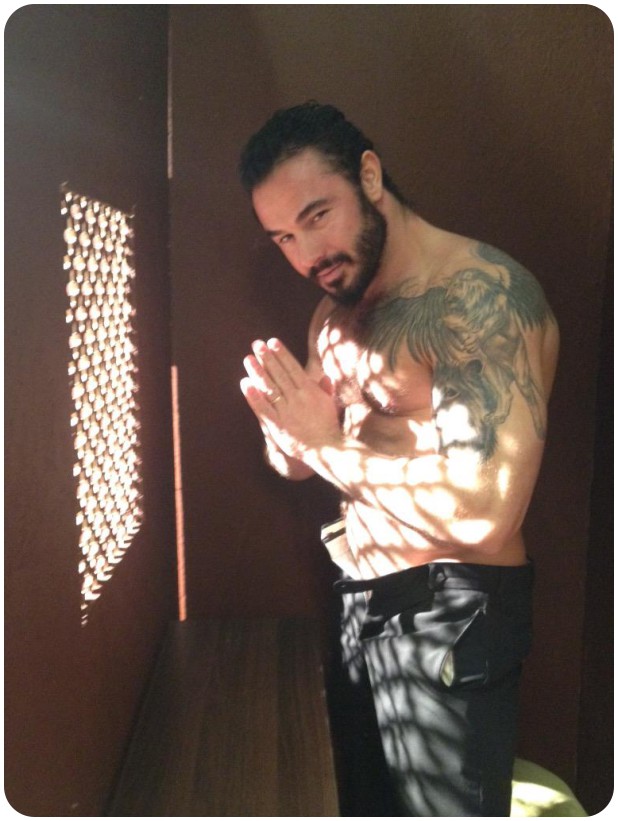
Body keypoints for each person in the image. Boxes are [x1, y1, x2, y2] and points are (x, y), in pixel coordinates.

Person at [238, 101, 559, 816]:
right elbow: (303, 463)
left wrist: (322, 442)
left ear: (370, 176)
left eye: (317, 216)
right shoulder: (334, 315)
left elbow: (483, 513)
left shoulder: (476, 298)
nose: (306, 254)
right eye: (284, 236)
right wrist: (285, 429)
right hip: (359, 597)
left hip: (450, 611)